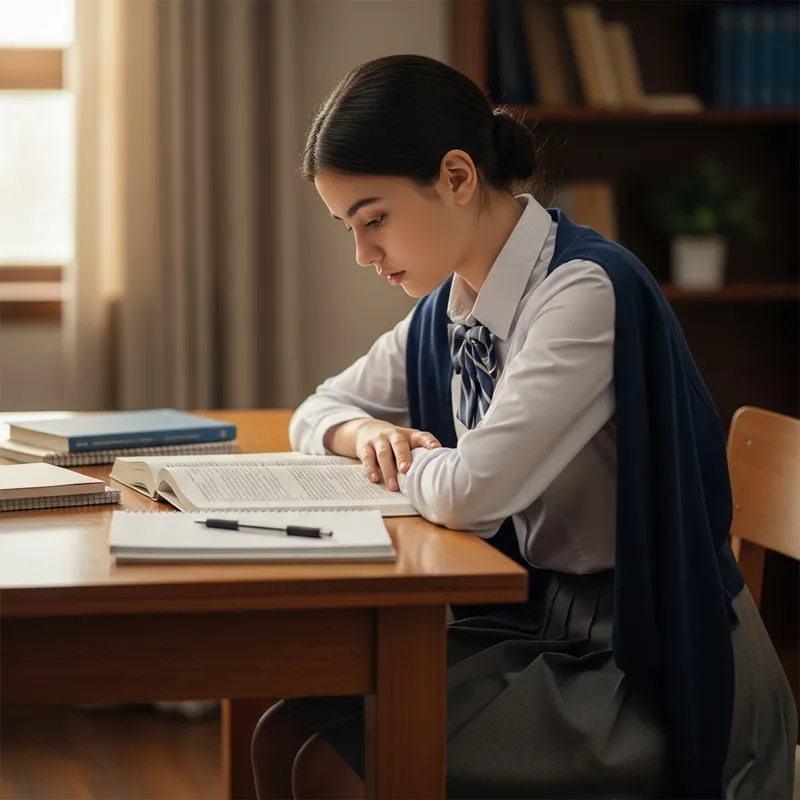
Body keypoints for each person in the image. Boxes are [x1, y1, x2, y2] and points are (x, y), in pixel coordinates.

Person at [251, 54, 797, 800]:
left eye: (373, 219)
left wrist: (413, 458)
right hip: (543, 627)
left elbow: (473, 494)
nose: (362, 254)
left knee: (330, 765)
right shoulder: (449, 311)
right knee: (280, 729)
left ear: (456, 176)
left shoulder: (581, 293)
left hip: (646, 657)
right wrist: (365, 437)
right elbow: (316, 410)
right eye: (349, 227)